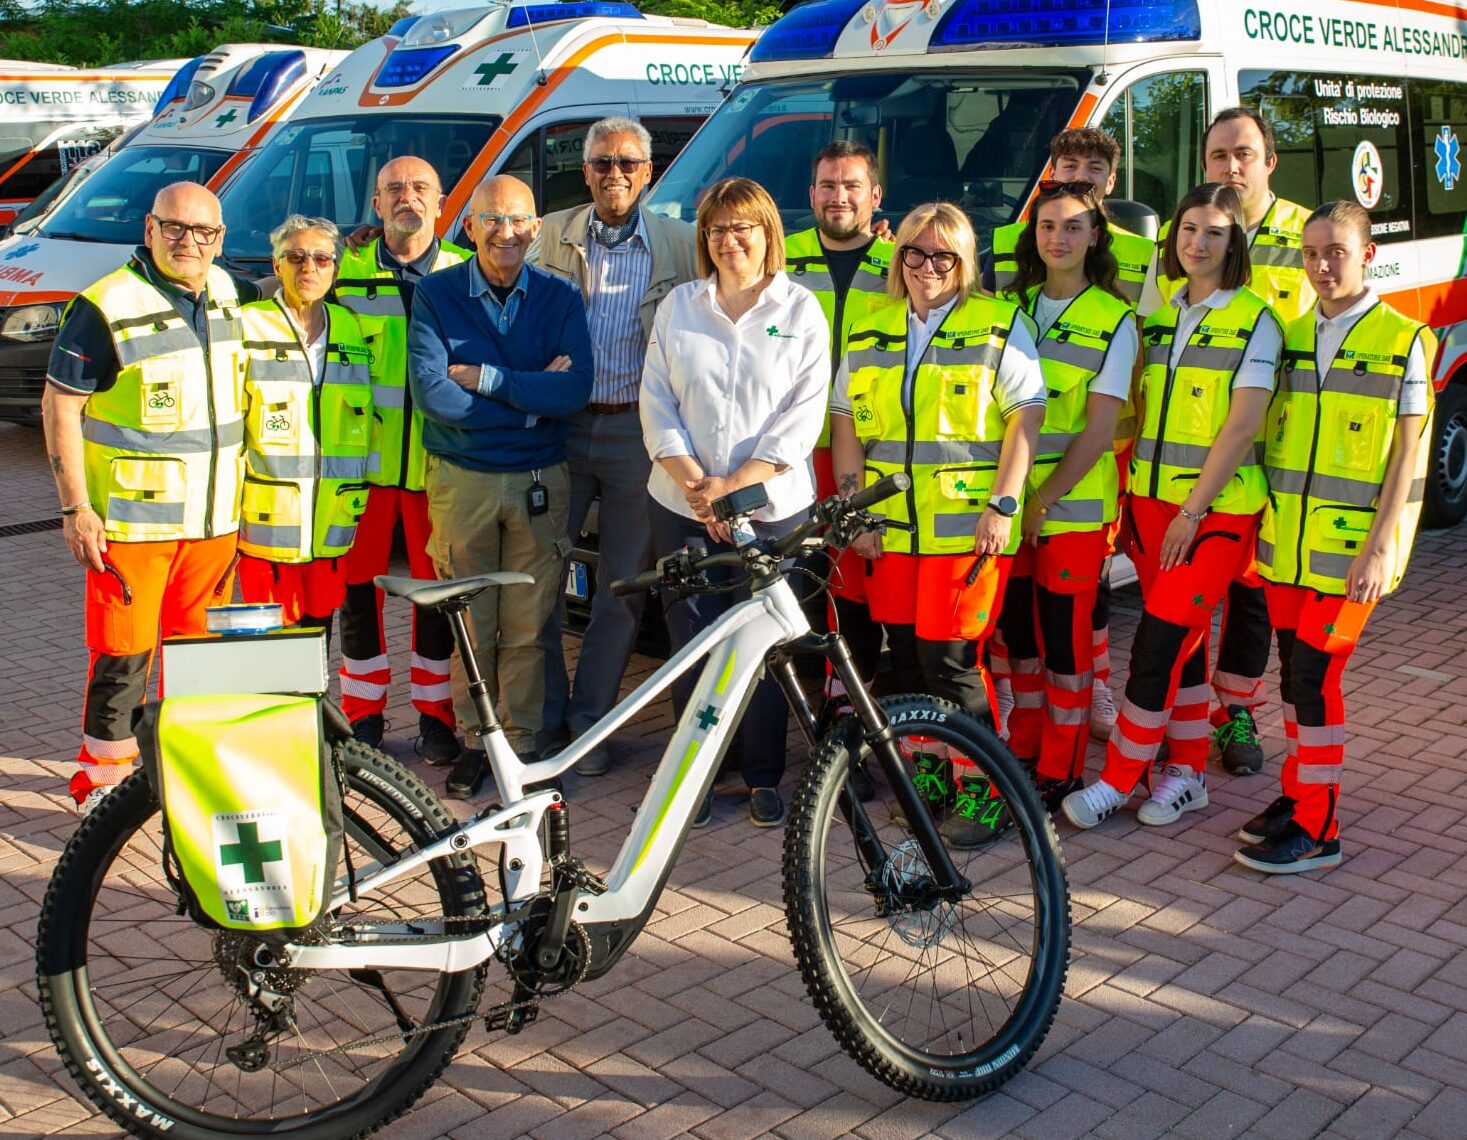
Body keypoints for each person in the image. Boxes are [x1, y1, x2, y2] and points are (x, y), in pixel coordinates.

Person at [1062, 183, 1281, 831]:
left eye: (1214, 232)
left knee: (1156, 642)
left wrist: (1190, 510)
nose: (1197, 242)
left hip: (1211, 514)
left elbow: (1241, 428)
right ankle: (1184, 776)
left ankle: (1117, 782)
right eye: (1188, 229)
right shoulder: (1153, 321)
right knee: (1182, 646)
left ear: (1233, 242)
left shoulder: (1254, 320)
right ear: (1172, 237)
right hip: (1150, 510)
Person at [830, 202, 1044, 847]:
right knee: (906, 663)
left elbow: (1024, 420)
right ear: (899, 260)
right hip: (891, 533)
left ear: (965, 262)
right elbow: (846, 425)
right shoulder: (870, 330)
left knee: (952, 663)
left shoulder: (999, 323)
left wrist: (1003, 506)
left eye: (944, 256)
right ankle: (930, 772)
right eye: (915, 254)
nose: (928, 267)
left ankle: (986, 788)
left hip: (965, 534)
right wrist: (856, 511)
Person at [40, 182, 252, 809]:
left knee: (199, 663)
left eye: (205, 232)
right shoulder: (105, 305)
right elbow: (60, 405)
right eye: (176, 228)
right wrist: (75, 507)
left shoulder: (230, 293)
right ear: (150, 227)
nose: (190, 242)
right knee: (122, 660)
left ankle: (182, 773)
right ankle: (105, 786)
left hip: (214, 527)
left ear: (220, 238)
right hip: (132, 532)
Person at [1237, 200, 1434, 873]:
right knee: (1294, 679)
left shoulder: (1402, 339)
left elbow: (1408, 458)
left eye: (1336, 252)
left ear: (1367, 255)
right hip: (1287, 546)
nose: (1322, 266)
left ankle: (1319, 827)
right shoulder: (1286, 333)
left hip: (1351, 555)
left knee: (1317, 680)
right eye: (1311, 253)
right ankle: (1297, 796)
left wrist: (1383, 545)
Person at [640, 176, 829, 829]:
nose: (729, 240)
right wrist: (698, 484)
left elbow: (800, 418)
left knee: (763, 644)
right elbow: (655, 399)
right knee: (691, 640)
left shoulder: (800, 309)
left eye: (742, 227)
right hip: (683, 505)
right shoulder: (679, 307)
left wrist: (734, 488)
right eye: (716, 230)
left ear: (767, 234)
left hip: (770, 511)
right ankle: (697, 775)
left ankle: (762, 776)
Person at [408, 175, 593, 799]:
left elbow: (573, 391)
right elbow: (436, 398)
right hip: (463, 482)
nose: (504, 232)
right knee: (472, 620)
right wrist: (529, 396)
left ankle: (522, 745)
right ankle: (477, 743)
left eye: (516, 220)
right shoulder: (435, 296)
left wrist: (486, 378)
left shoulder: (560, 297)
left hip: (542, 480)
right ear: (469, 227)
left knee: (527, 623)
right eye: (491, 219)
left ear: (535, 229)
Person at [532, 116, 699, 776]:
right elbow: (480, 256)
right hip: (561, 431)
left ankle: (589, 724)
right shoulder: (547, 233)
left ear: (648, 171)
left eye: (628, 163)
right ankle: (544, 721)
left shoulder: (680, 243)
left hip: (638, 432)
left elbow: (755, 260)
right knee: (541, 582)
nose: (615, 174)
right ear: (586, 170)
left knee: (620, 590)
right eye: (602, 163)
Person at [1160, 107, 1316, 774]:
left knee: (1251, 596)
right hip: (1196, 451)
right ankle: (1190, 714)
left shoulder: (1303, 234)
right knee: (1187, 591)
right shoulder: (1188, 232)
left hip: (1273, 449)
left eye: (1244, 153)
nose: (1231, 165)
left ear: (1268, 162)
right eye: (1219, 153)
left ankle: (1237, 714)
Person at [990, 127, 1149, 738]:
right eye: (1049, 226)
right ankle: (1027, 749)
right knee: (1023, 634)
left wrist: (1042, 498)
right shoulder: (1015, 303)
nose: (1058, 236)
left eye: (1074, 227)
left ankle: (1062, 760)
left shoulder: (1120, 308)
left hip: (1074, 499)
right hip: (1013, 495)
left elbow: (1100, 425)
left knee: (1070, 640)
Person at [334, 157, 470, 764]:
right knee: (356, 594)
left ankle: (435, 716)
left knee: (435, 597)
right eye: (393, 188)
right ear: (375, 205)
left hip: (437, 470)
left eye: (420, 187)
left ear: (441, 202)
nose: (406, 198)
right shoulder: (341, 269)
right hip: (362, 471)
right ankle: (362, 715)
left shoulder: (468, 273)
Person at [785, 140, 892, 744]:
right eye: (828, 186)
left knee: (854, 596)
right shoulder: (783, 255)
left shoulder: (902, 258)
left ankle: (849, 715)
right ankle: (805, 712)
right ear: (811, 196)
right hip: (795, 452)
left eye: (852, 186)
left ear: (875, 197)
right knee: (802, 585)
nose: (839, 197)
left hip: (864, 452)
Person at [236, 216, 372, 636]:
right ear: (276, 267)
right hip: (268, 530)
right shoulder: (248, 324)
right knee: (274, 652)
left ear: (335, 268)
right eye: (295, 257)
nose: (308, 268)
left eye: (321, 258)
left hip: (331, 527)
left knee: (319, 643)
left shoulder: (349, 326)